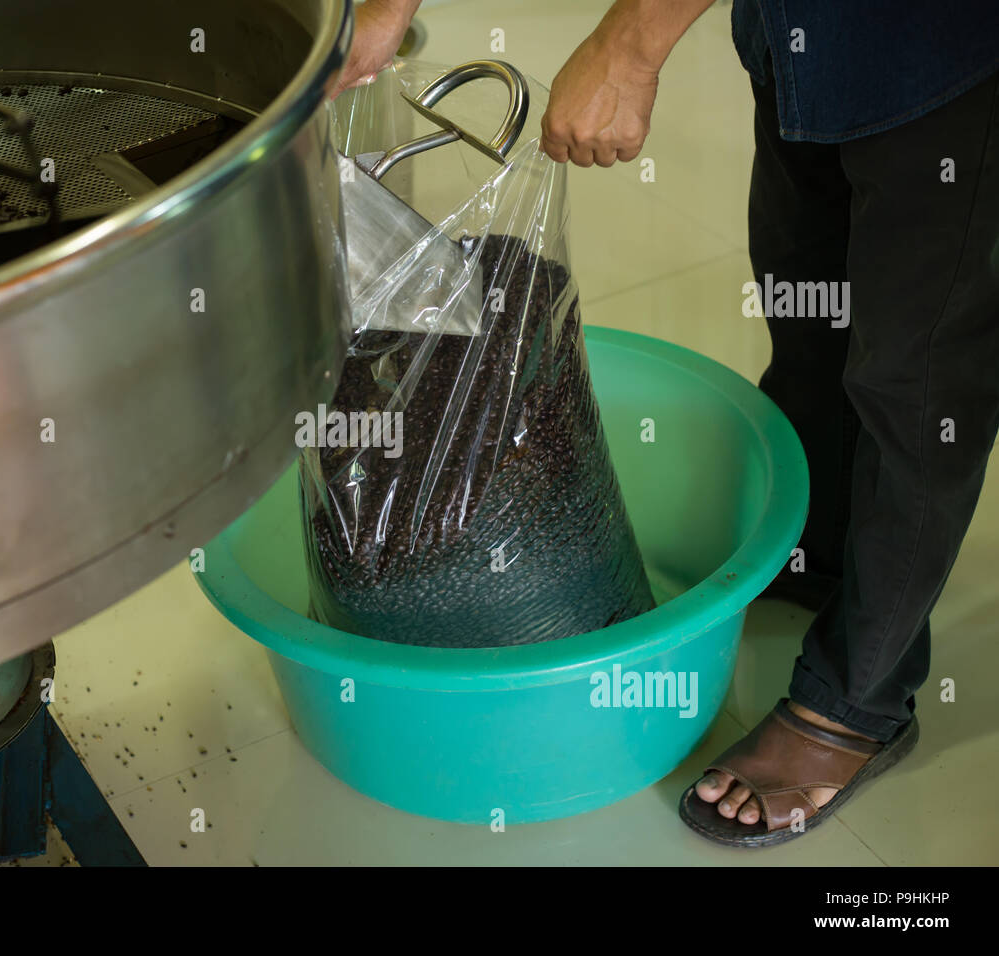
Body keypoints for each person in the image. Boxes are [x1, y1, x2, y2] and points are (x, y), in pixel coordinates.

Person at [338, 0, 999, 846]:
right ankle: (825, 551)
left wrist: (628, 46)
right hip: (807, 40)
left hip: (936, 49)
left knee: (917, 380)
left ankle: (859, 701)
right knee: (811, 312)